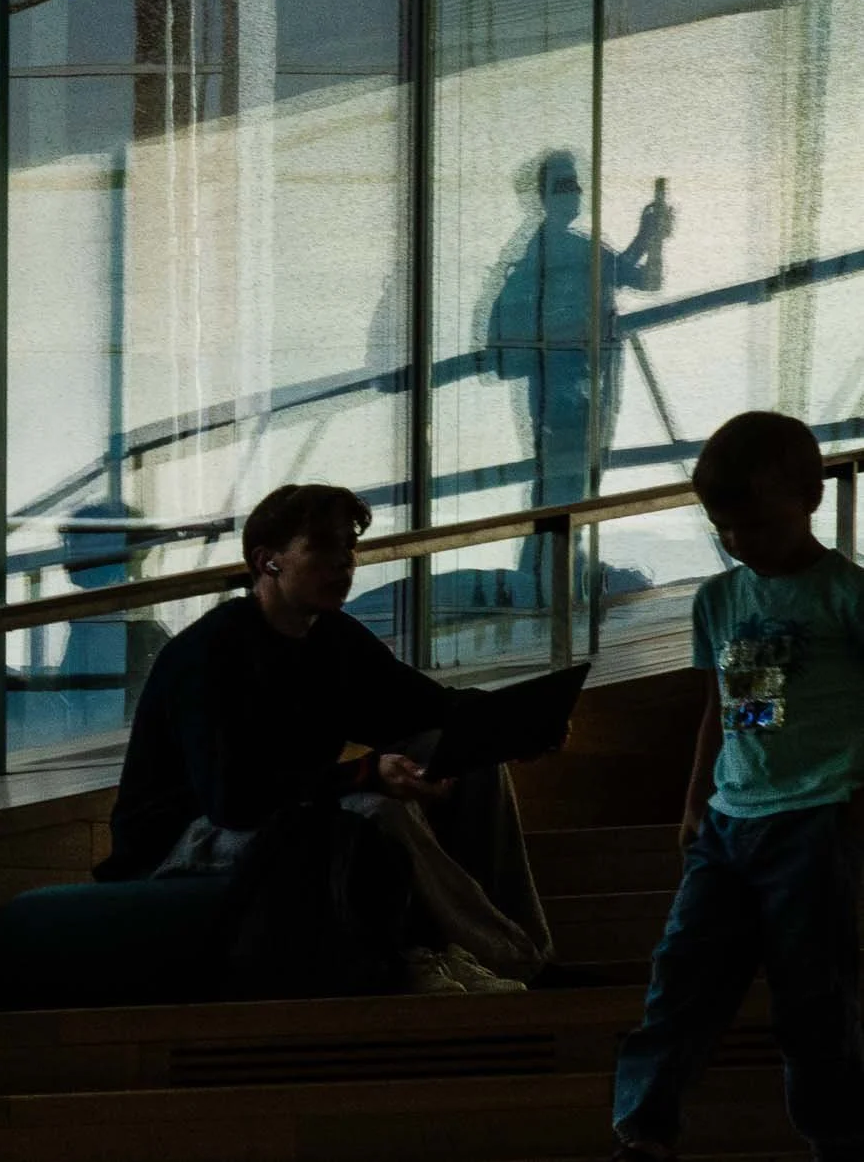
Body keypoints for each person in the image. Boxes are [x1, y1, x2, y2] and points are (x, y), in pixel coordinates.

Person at [97, 483, 553, 995]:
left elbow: (428, 707)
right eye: (323, 547)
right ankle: (509, 958)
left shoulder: (334, 638)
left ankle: (510, 950)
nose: (344, 563)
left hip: (286, 808)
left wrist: (515, 724)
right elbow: (235, 799)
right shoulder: (211, 653)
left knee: (473, 761)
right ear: (268, 562)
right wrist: (364, 772)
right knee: (376, 812)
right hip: (186, 834)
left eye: (349, 547)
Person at [610, 413, 864, 1162]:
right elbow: (727, 709)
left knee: (815, 999)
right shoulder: (718, 600)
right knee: (681, 980)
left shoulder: (845, 596)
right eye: (724, 527)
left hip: (817, 817)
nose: (739, 540)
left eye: (755, 522)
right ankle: (645, 1130)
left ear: (811, 498)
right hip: (729, 821)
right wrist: (695, 803)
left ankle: (840, 1139)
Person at [483, 151, 673, 608]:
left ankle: (551, 576)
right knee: (567, 484)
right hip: (569, 390)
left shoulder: (566, 246)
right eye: (564, 187)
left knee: (568, 483)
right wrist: (650, 236)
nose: (574, 195)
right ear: (543, 197)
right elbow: (637, 276)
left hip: (582, 387)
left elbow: (641, 277)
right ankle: (553, 581)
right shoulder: (556, 248)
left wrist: (651, 237)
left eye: (576, 185)